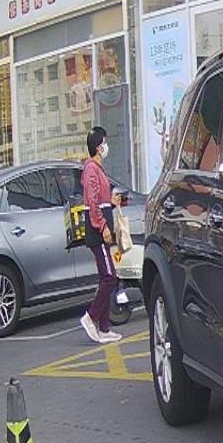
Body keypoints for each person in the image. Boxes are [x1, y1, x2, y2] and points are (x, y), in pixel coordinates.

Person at [80, 126, 123, 344]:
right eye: (104, 142)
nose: (107, 146)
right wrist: (103, 226)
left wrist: (112, 203)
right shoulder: (91, 169)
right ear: (98, 147)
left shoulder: (97, 168)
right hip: (98, 231)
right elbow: (93, 201)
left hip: (101, 227)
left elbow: (101, 200)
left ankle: (105, 329)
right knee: (109, 278)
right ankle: (91, 317)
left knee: (106, 277)